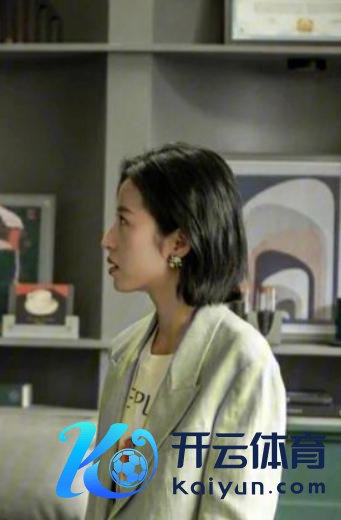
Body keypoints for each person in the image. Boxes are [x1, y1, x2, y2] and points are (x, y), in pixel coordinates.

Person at [86, 143, 286, 519]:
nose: (107, 239)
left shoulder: (244, 361)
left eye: (124, 221)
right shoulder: (125, 350)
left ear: (179, 241)